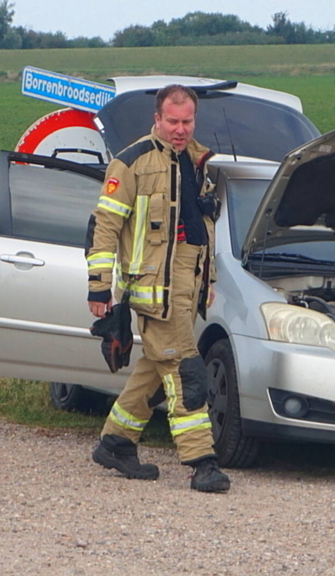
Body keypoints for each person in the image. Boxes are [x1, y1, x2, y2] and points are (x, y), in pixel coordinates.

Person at [85, 84, 231, 493]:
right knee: (186, 370)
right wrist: (99, 290)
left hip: (187, 285)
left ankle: (116, 442)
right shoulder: (131, 163)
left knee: (156, 365)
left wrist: (209, 283)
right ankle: (202, 461)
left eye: (186, 121)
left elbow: (202, 232)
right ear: (157, 119)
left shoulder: (198, 161)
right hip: (155, 290)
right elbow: (104, 228)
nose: (180, 129)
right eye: (172, 121)